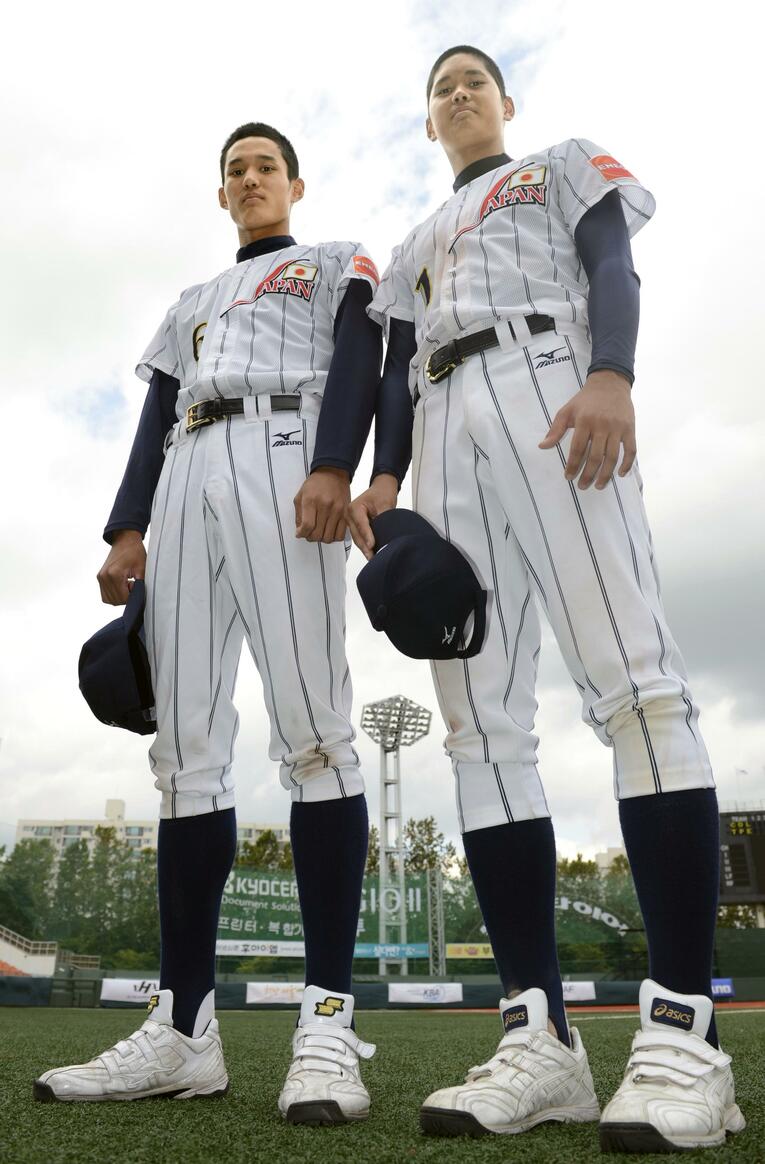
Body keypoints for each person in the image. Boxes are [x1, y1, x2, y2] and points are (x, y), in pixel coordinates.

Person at [348, 46, 745, 1153]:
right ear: (429, 121)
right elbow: (393, 367)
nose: (459, 93)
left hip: (549, 383)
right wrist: (385, 475)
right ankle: (541, 1040)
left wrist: (612, 371)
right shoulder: (415, 245)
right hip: (442, 427)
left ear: (505, 101)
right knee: (480, 729)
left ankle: (686, 1034)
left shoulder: (561, 160)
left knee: (635, 686)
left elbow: (612, 260)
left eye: (474, 79)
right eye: (441, 87)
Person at [34, 122, 381, 1126]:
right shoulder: (189, 304)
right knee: (183, 754)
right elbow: (156, 413)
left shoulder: (333, 260)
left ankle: (327, 1020)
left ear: (295, 184)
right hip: (188, 469)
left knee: (314, 733)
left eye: (266, 165)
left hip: (286, 451)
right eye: (236, 170)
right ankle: (183, 1029)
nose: (251, 177)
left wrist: (335, 464)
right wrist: (127, 527)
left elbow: (363, 357)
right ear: (221, 195)